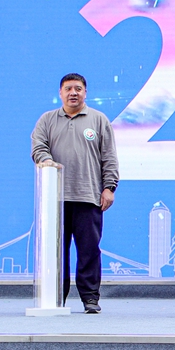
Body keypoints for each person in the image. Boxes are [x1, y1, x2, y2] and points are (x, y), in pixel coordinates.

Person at [31, 73, 118, 314]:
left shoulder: (98, 120)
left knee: (89, 251)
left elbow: (109, 156)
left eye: (78, 89)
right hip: (54, 200)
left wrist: (109, 187)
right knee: (56, 253)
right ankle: (55, 297)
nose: (73, 93)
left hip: (88, 196)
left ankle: (90, 298)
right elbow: (38, 147)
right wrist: (46, 160)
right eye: (68, 89)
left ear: (85, 93)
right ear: (60, 93)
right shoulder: (47, 120)